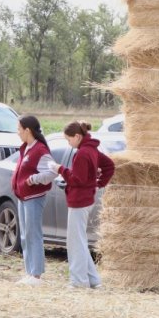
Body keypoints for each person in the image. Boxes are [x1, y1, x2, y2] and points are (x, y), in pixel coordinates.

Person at [55, 120, 116, 289]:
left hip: (79, 200)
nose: (68, 143)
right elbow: (109, 166)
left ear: (77, 136)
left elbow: (77, 180)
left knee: (75, 242)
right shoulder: (92, 149)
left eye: (68, 140)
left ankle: (78, 281)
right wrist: (98, 183)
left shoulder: (82, 153)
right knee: (79, 240)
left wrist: (60, 169)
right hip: (87, 198)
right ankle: (94, 280)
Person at [10, 115, 58, 285]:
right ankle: (29, 272)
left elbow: (52, 172)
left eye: (19, 129)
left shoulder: (40, 151)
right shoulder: (26, 148)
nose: (18, 133)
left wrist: (35, 179)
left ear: (27, 130)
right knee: (24, 234)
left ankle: (36, 274)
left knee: (33, 234)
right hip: (22, 197)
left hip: (34, 198)